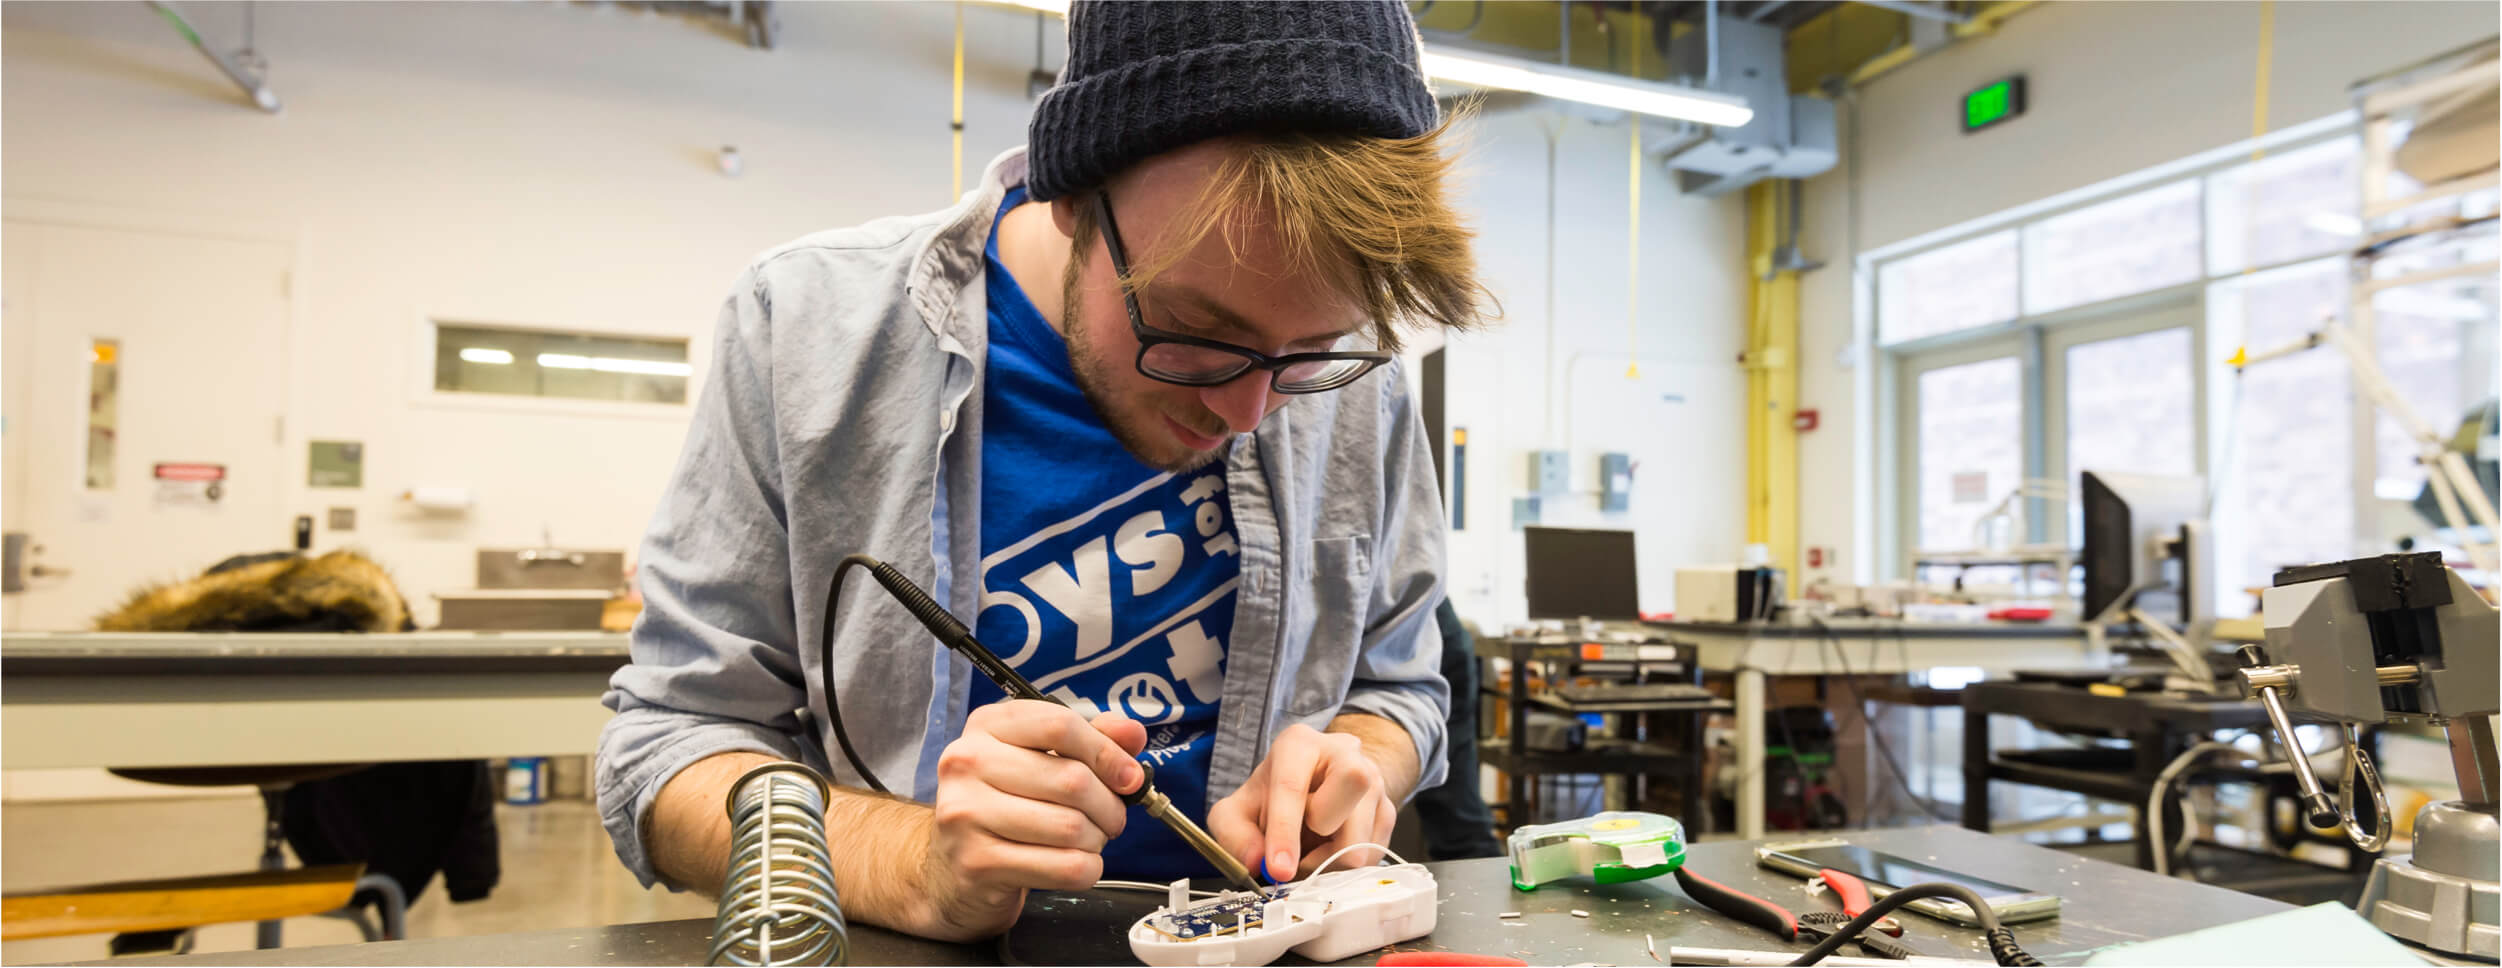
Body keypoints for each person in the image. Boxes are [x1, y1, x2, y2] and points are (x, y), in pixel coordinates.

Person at [595, 0, 1494, 943]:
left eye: (1306, 352)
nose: (1247, 412)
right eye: (1196, 334)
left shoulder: (1355, 380)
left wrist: (1356, 763)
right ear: (1071, 191)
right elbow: (669, 745)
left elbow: (1402, 684)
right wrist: (914, 863)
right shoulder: (807, 329)